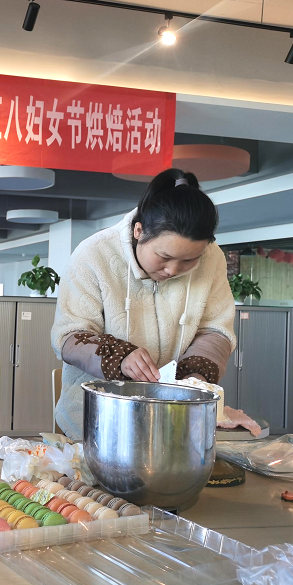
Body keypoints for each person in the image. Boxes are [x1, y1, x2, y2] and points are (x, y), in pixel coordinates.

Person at [51, 169, 236, 440]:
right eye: (164, 257)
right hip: (96, 420)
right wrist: (119, 356)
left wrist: (195, 376)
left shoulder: (211, 258)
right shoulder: (94, 254)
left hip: (174, 419)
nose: (173, 270)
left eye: (189, 261)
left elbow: (215, 329)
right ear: (139, 231)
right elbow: (69, 335)